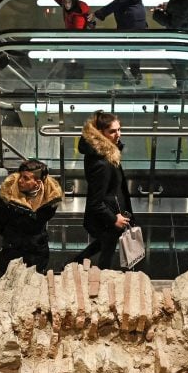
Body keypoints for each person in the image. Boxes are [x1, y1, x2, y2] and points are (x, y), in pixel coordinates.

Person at [73, 111, 135, 269]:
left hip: (111, 210)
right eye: (112, 131)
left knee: (103, 243)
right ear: (101, 133)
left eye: (119, 129)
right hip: (108, 218)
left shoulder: (103, 151)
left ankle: (73, 262)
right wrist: (115, 219)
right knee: (107, 250)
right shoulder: (102, 163)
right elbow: (95, 202)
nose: (118, 134)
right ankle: (101, 276)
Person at [0, 160, 63, 275]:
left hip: (36, 246)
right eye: (21, 176)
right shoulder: (9, 197)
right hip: (13, 245)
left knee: (35, 277)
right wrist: (10, 234)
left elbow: (41, 220)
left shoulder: (49, 197)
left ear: (37, 182)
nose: (20, 181)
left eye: (26, 178)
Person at [90, 0, 148, 83]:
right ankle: (133, 74)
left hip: (132, 22)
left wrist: (97, 14)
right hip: (130, 20)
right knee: (132, 49)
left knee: (133, 49)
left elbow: (118, 2)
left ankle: (134, 76)